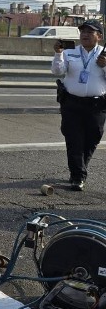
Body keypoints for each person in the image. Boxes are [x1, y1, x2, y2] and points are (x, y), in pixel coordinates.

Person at [52, 19, 106, 191]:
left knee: (92, 140)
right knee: (74, 140)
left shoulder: (104, 55)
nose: (85, 35)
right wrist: (58, 53)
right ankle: (78, 176)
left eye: (90, 32)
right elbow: (57, 71)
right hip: (72, 104)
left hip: (97, 105)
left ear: (99, 36)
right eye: (83, 32)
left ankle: (79, 168)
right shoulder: (70, 52)